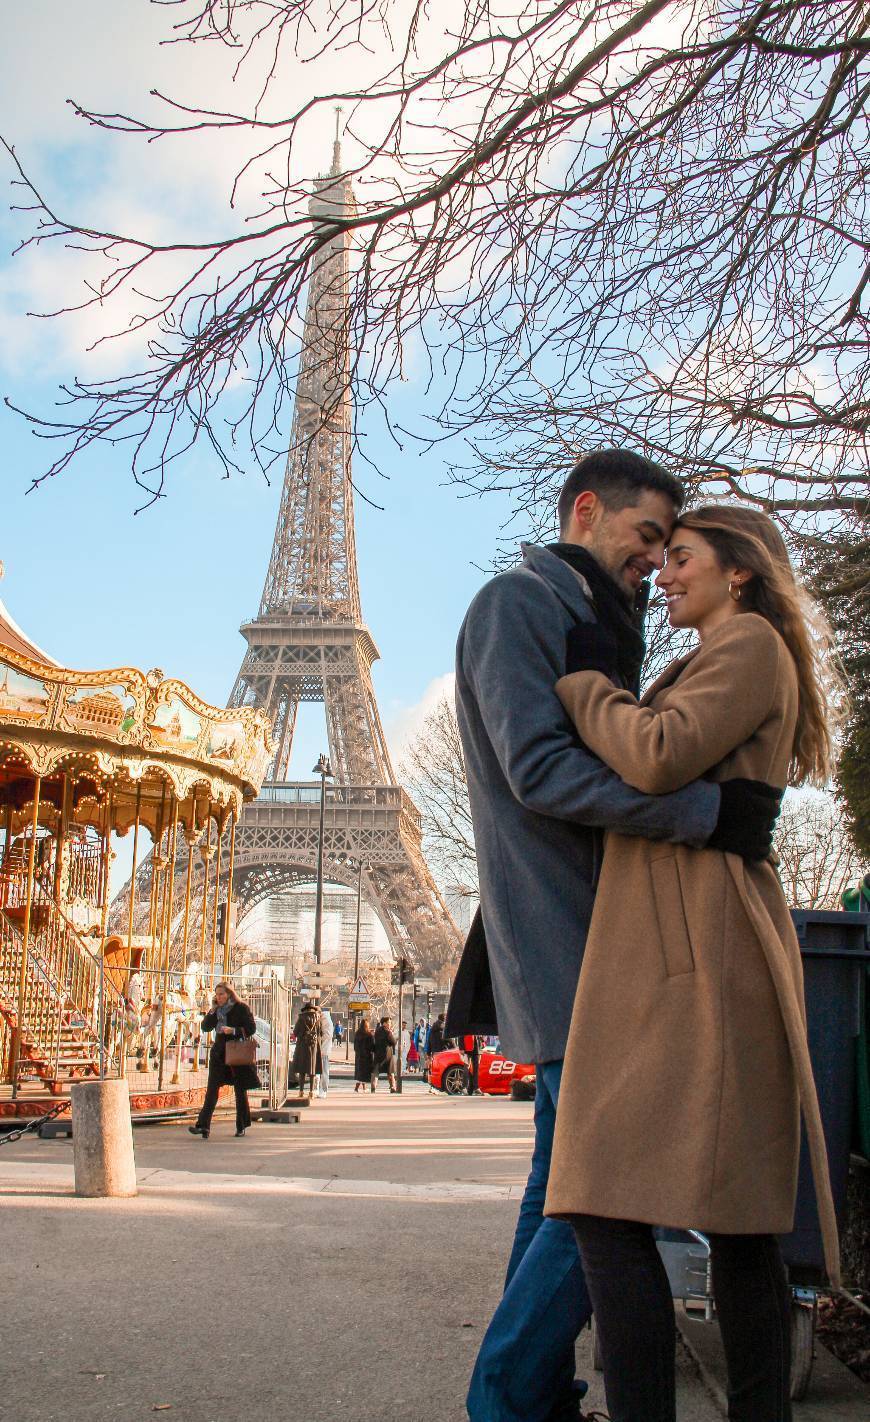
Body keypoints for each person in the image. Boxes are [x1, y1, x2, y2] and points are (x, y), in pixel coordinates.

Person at [452, 450, 785, 1422]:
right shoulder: (520, 605)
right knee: (607, 1193)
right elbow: (539, 772)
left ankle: (529, 1395)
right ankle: (508, 1401)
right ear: (586, 510)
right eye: (645, 538)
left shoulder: (593, 619)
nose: (653, 561)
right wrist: (702, 817)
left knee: (567, 1183)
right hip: (569, 937)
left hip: (591, 935)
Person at [544, 504, 840, 1422]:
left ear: (740, 570)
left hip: (698, 947)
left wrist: (589, 684)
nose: (664, 573)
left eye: (683, 558)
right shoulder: (726, 648)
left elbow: (658, 753)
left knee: (609, 1204)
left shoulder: (747, 644)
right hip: (688, 937)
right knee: (734, 1222)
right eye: (659, 558)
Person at [188, 981, 259, 1139]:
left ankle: (241, 1125)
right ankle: (203, 1126)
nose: (219, 997)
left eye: (222, 994)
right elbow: (206, 1027)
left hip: (235, 1052)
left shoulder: (241, 1008)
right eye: (217, 995)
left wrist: (233, 1030)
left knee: (240, 1090)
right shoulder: (217, 1010)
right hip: (219, 1052)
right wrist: (212, 1011)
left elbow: (251, 1028)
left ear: (229, 994)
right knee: (212, 1089)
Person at [292, 999, 322, 1100]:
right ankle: (311, 1092)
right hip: (314, 1047)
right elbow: (320, 1033)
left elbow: (295, 1033)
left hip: (302, 1046)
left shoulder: (301, 1018)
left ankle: (301, 1091)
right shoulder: (318, 1018)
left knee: (302, 1070)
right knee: (312, 1069)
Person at [373, 1016, 397, 1092]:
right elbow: (393, 1042)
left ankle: (373, 1086)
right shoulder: (388, 1032)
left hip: (378, 1053)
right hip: (387, 1054)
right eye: (389, 1022)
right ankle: (393, 1087)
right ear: (384, 1023)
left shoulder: (377, 1031)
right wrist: (393, 1035)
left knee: (376, 1072)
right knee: (390, 1072)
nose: (390, 1024)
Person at [354, 1017, 376, 1093]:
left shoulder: (357, 1033)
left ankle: (363, 1088)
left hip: (359, 1056)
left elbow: (355, 1046)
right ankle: (356, 1088)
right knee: (364, 1073)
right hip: (367, 1056)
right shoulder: (369, 1034)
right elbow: (372, 1046)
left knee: (361, 1072)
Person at [317, 1006, 334, 1098]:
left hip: (324, 1049)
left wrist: (319, 1038)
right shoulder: (324, 1019)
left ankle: (323, 1089)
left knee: (324, 1070)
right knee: (322, 1070)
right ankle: (319, 1088)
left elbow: (327, 1035)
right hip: (322, 1048)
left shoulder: (325, 1020)